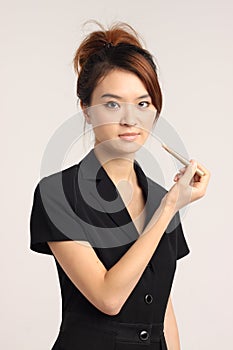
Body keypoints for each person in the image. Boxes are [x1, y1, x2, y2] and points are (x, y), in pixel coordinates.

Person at [29, 21, 210, 350]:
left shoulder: (160, 195)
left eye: (143, 104)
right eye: (112, 104)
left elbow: (163, 308)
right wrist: (170, 207)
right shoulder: (58, 193)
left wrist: (167, 203)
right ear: (86, 109)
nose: (130, 119)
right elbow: (108, 297)